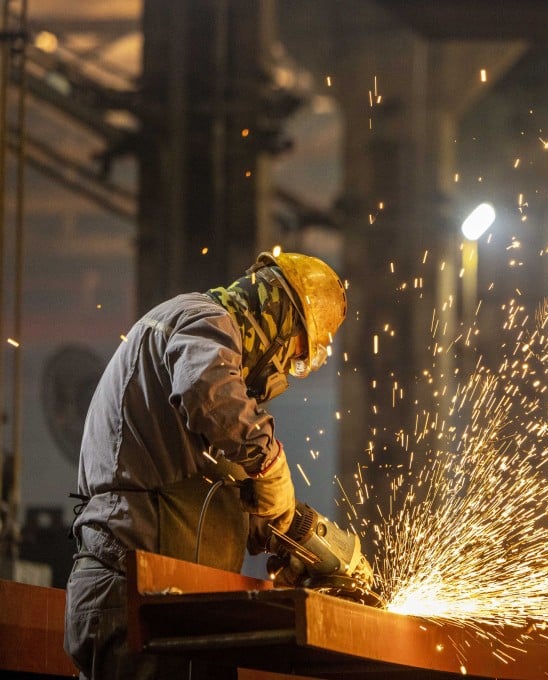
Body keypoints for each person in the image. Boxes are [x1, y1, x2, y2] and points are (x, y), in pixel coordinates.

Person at [64, 251, 347, 679]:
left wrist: (285, 532)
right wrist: (269, 462)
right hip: (132, 593)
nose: (287, 368)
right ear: (277, 316)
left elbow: (206, 491)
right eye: (295, 351)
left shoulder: (210, 404)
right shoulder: (202, 321)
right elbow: (208, 391)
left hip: (175, 603)